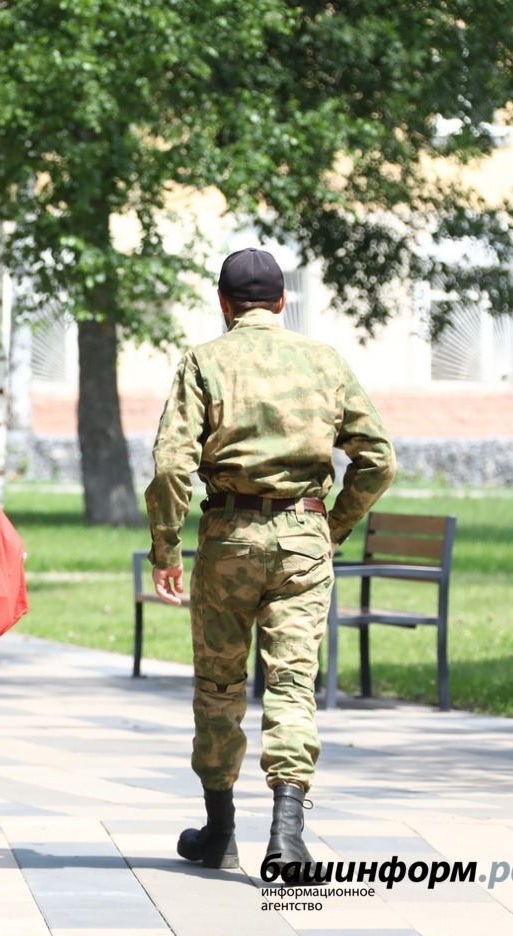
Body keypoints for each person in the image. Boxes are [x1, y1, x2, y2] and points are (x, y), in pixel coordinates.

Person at [146, 248, 395, 885]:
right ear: (282, 302)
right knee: (291, 683)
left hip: (228, 537)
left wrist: (166, 548)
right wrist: (331, 526)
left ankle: (220, 831)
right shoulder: (326, 361)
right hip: (304, 539)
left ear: (224, 304)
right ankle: (286, 835)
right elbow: (378, 460)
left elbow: (173, 464)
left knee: (220, 684)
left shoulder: (205, 360)